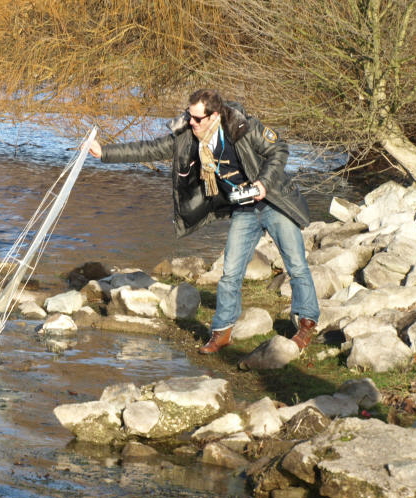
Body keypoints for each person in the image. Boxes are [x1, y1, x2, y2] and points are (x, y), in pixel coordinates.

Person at [88, 88, 319, 354]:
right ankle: (221, 332)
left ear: (215, 116)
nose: (192, 123)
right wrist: (103, 152)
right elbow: (148, 149)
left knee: (297, 266)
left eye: (198, 119)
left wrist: (263, 183)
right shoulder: (187, 138)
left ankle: (306, 323)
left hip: (274, 202)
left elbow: (279, 149)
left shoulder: (244, 127)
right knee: (230, 272)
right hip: (244, 209)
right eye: (189, 116)